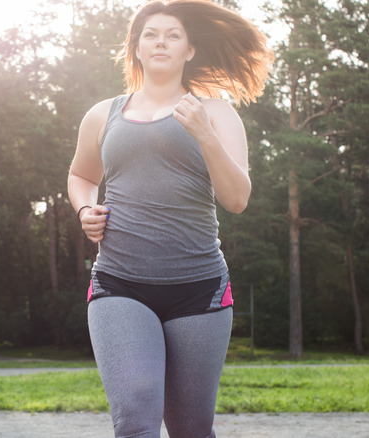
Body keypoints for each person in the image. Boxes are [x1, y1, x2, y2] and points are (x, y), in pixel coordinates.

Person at [67, 1, 273, 437]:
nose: (160, 41)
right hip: (119, 283)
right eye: (150, 34)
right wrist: (86, 209)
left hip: (198, 290)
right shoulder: (102, 114)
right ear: (136, 48)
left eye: (173, 34)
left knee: (191, 428)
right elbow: (81, 175)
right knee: (136, 417)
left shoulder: (217, 113)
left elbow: (237, 199)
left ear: (190, 50)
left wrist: (202, 132)